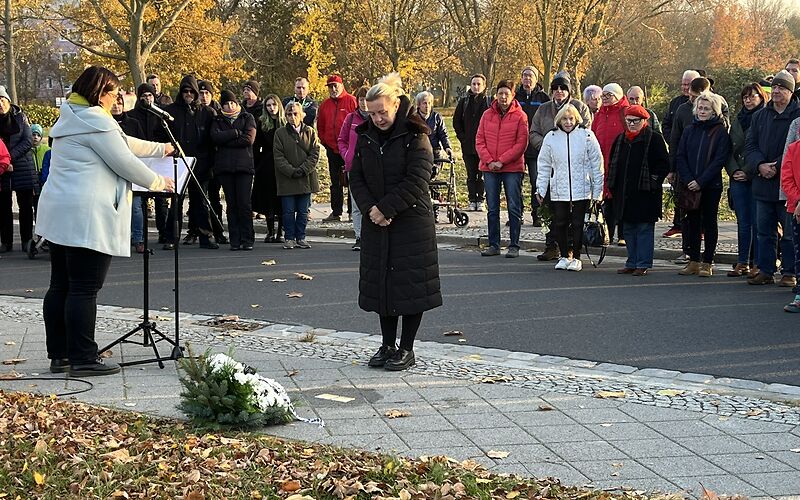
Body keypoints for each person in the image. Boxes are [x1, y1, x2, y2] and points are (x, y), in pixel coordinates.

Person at [37, 66, 175, 376]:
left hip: (59, 212)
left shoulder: (73, 114)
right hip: (87, 215)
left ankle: (59, 355)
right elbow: (124, 160)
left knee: (60, 285)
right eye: (114, 94)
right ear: (100, 94)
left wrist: (160, 148)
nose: (117, 100)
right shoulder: (96, 122)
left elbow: (123, 141)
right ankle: (84, 358)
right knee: (84, 288)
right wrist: (158, 182)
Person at [348, 73, 441, 371]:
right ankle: (387, 344)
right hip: (377, 220)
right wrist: (370, 209)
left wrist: (386, 209)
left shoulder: (416, 134)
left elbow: (417, 180)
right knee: (383, 285)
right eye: (371, 113)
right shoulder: (365, 136)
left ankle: (407, 348)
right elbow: (356, 177)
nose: (377, 118)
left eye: (382, 112)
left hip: (410, 222)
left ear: (396, 104)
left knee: (410, 287)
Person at [529, 73, 592, 261]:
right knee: (552, 210)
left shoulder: (580, 108)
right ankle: (552, 245)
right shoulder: (543, 109)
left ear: (568, 91)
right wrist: (549, 146)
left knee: (574, 214)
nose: (559, 92)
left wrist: (566, 147)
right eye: (555, 88)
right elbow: (533, 133)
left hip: (575, 168)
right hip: (551, 165)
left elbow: (586, 134)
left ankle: (572, 248)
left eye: (562, 88)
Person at [746, 70, 800, 286]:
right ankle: (766, 270)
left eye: (781, 88)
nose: (776, 91)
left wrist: (777, 166)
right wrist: (760, 165)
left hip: (788, 185)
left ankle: (789, 272)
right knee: (764, 232)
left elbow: (793, 150)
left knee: (789, 234)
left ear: (790, 91)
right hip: (762, 182)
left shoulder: (797, 117)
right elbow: (750, 145)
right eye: (774, 87)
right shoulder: (760, 115)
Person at [535, 104, 603, 272]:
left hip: (582, 188)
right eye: (564, 119)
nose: (568, 122)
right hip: (559, 187)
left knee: (578, 223)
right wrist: (541, 189)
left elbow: (597, 164)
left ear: (576, 119)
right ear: (559, 120)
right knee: (560, 222)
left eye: (571, 118)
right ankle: (565, 255)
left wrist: (597, 192)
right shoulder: (551, 137)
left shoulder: (587, 135)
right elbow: (543, 165)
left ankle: (577, 257)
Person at [607, 105, 670, 276]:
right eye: (629, 121)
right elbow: (612, 163)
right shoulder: (620, 139)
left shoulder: (654, 139)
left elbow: (663, 164)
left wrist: (653, 181)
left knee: (643, 229)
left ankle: (643, 263)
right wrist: (612, 186)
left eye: (636, 121)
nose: (632, 124)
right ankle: (631, 261)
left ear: (644, 121)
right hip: (625, 193)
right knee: (628, 229)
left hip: (645, 193)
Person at [675, 92, 732, 277]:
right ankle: (693, 260)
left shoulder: (720, 131)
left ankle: (707, 261)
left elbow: (719, 160)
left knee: (709, 223)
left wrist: (701, 181)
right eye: (700, 108)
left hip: (710, 185)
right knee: (691, 223)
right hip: (689, 184)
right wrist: (689, 179)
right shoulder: (689, 129)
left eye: (706, 108)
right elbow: (680, 155)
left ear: (713, 110)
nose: (702, 111)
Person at [163, 75, 218, 250]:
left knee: (200, 201)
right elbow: (160, 134)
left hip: (200, 164)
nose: (188, 94)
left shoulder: (207, 113)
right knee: (176, 201)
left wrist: (211, 162)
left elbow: (213, 138)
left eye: (191, 91)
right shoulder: (171, 111)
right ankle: (172, 237)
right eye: (185, 91)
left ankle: (206, 236)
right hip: (178, 163)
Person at [475, 79, 529, 258]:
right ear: (496, 95)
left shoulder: (520, 116)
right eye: (500, 93)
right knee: (492, 208)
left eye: (507, 94)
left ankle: (514, 245)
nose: (503, 97)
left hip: (512, 168)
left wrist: (502, 161)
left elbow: (521, 143)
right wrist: (490, 161)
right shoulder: (486, 115)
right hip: (489, 167)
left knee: (513, 206)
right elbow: (479, 140)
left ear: (512, 95)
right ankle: (494, 244)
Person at [725, 83, 767, 278]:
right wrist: (734, 171)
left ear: (760, 97)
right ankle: (742, 261)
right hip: (737, 177)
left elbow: (760, 149)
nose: (748, 100)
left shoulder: (764, 118)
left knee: (759, 223)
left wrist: (748, 172)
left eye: (752, 96)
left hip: (756, 175)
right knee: (743, 222)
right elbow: (728, 149)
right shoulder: (737, 120)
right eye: (745, 97)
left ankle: (758, 263)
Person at [211, 90, 257, 251]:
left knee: (244, 204)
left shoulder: (247, 117)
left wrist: (226, 139)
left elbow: (248, 139)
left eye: (232, 103)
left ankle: (247, 238)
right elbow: (214, 138)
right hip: (225, 168)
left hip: (244, 167)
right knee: (232, 205)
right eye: (226, 103)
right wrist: (235, 133)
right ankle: (235, 239)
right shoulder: (217, 119)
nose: (230, 106)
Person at [273, 102, 320, 250]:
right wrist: (291, 171)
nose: (292, 117)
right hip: (287, 179)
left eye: (295, 114)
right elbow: (278, 156)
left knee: (303, 211)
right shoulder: (280, 133)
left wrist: (303, 169)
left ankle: (301, 237)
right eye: (289, 114)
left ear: (302, 115)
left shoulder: (310, 131)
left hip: (305, 178)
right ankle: (289, 238)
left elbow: (315, 153)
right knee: (287, 212)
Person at [661, 70, 701, 240]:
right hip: (678, 154)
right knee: (679, 193)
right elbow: (668, 125)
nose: (685, 88)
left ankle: (699, 229)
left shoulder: (705, 104)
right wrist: (673, 139)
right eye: (683, 84)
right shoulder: (676, 104)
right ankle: (678, 225)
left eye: (688, 84)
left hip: (698, 158)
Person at [0, 85, 38, 253]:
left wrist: (9, 157)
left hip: (22, 166)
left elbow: (28, 141)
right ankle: (6, 242)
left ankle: (26, 240)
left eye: (2, 100)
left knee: (25, 206)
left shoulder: (21, 117)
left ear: (8, 101)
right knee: (3, 207)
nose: (0, 104)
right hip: (2, 169)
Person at [592, 83, 629, 246]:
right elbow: (593, 135)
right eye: (603, 95)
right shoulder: (599, 114)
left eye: (609, 95)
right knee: (606, 200)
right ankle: (608, 233)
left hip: (620, 161)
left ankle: (623, 234)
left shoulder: (625, 112)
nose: (605, 99)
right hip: (602, 162)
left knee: (621, 198)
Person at [110, 93, 147, 254]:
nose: (116, 106)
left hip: (131, 169)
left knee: (136, 207)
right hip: (111, 170)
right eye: (114, 103)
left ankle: (138, 238)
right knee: (113, 206)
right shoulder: (104, 123)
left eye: (119, 103)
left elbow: (142, 145)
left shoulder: (133, 123)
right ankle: (116, 239)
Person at [318, 74, 358, 222]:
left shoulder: (351, 101)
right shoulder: (324, 105)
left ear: (342, 86)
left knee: (351, 181)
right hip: (332, 149)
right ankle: (336, 212)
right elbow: (320, 126)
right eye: (331, 86)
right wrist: (325, 142)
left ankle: (352, 212)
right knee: (335, 182)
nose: (333, 89)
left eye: (336, 85)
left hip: (349, 149)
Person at [515, 66, 550, 225]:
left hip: (536, 148)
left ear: (536, 79)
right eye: (525, 76)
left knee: (537, 181)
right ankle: (517, 214)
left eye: (531, 76)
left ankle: (537, 214)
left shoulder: (543, 98)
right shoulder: (515, 96)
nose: (527, 79)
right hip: (517, 147)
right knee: (516, 182)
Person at [338, 86, 370, 251]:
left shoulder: (375, 118)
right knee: (356, 205)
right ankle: (359, 236)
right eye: (361, 99)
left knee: (371, 202)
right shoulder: (351, 118)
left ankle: (371, 236)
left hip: (371, 167)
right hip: (353, 166)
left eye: (366, 99)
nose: (364, 103)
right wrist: (347, 154)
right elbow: (341, 140)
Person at [454, 73, 492, 211]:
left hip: (484, 146)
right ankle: (472, 199)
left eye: (478, 84)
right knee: (471, 174)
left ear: (484, 86)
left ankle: (480, 199)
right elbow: (456, 122)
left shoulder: (489, 102)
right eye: (474, 84)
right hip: (468, 145)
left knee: (481, 174)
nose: (476, 87)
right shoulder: (464, 102)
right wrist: (462, 138)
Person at [253, 94, 286, 243]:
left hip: (283, 162)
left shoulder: (285, 122)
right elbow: (256, 146)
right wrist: (257, 164)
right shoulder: (262, 123)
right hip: (266, 162)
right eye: (268, 105)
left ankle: (280, 231)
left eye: (274, 105)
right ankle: (270, 230)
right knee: (268, 198)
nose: (272, 108)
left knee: (281, 198)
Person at [197, 80, 227, 244]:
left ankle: (219, 231)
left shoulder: (218, 112)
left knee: (215, 199)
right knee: (201, 199)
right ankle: (199, 231)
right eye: (201, 93)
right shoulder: (197, 111)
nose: (203, 96)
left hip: (217, 161)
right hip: (202, 160)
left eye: (207, 93)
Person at [780, 124, 800, 311]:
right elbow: (786, 179)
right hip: (796, 210)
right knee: (799, 253)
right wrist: (798, 200)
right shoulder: (793, 149)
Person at [31, 123, 50, 217]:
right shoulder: (26, 150)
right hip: (32, 180)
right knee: (34, 205)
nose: (35, 137)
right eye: (33, 134)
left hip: (43, 180)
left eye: (38, 135)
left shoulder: (46, 149)